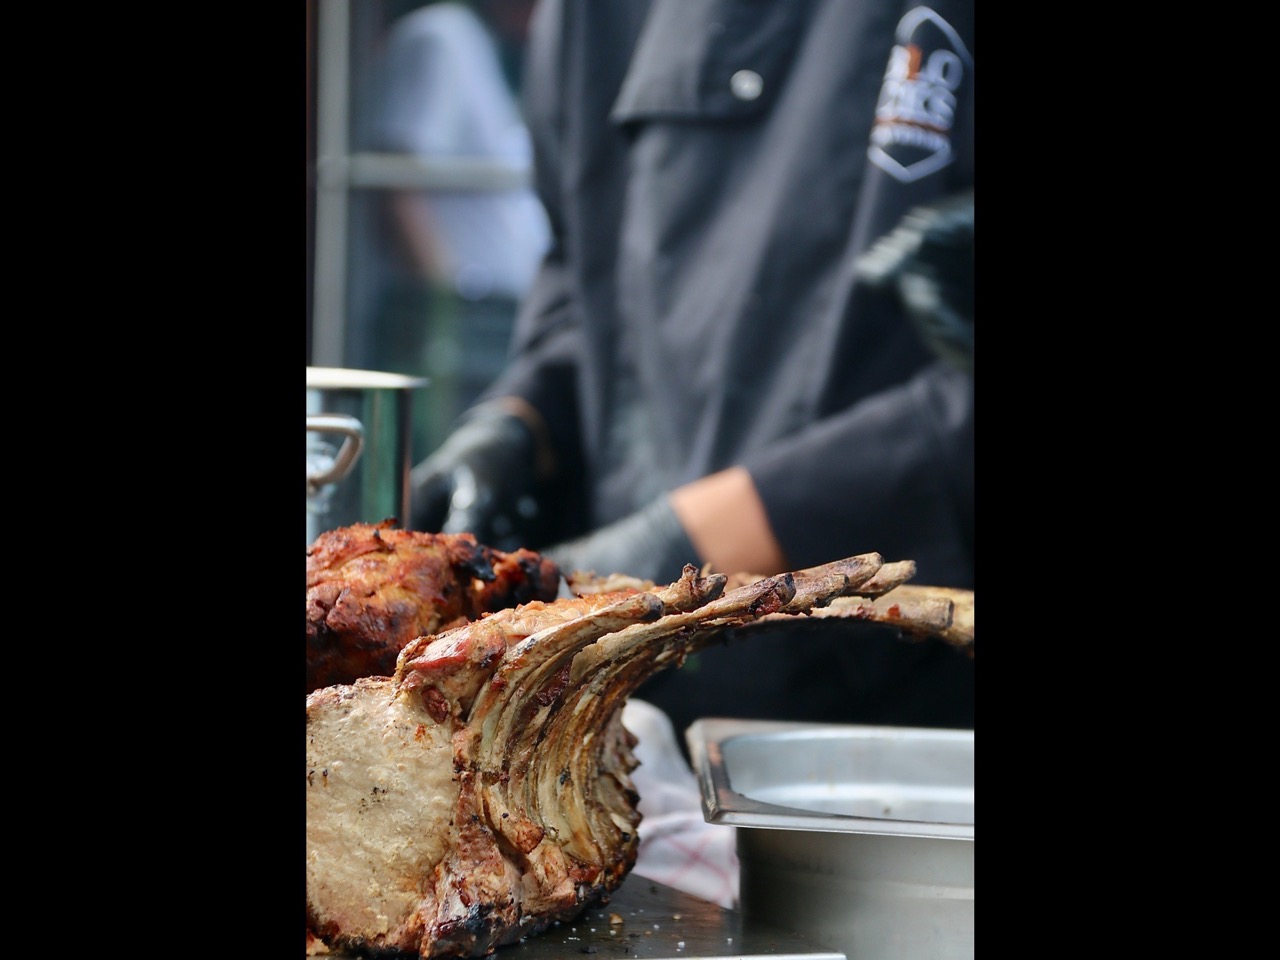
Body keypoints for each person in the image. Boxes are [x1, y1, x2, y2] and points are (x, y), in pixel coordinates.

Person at [409, 0, 975, 741]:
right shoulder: (588, 20)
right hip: (622, 704)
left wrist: (695, 535)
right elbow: (585, 278)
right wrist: (522, 422)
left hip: (903, 711)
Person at [354, 0, 550, 457]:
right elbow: (395, 181)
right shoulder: (442, 35)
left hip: (493, 321)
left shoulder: (496, 53)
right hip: (451, 321)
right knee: (434, 458)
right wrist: (443, 295)